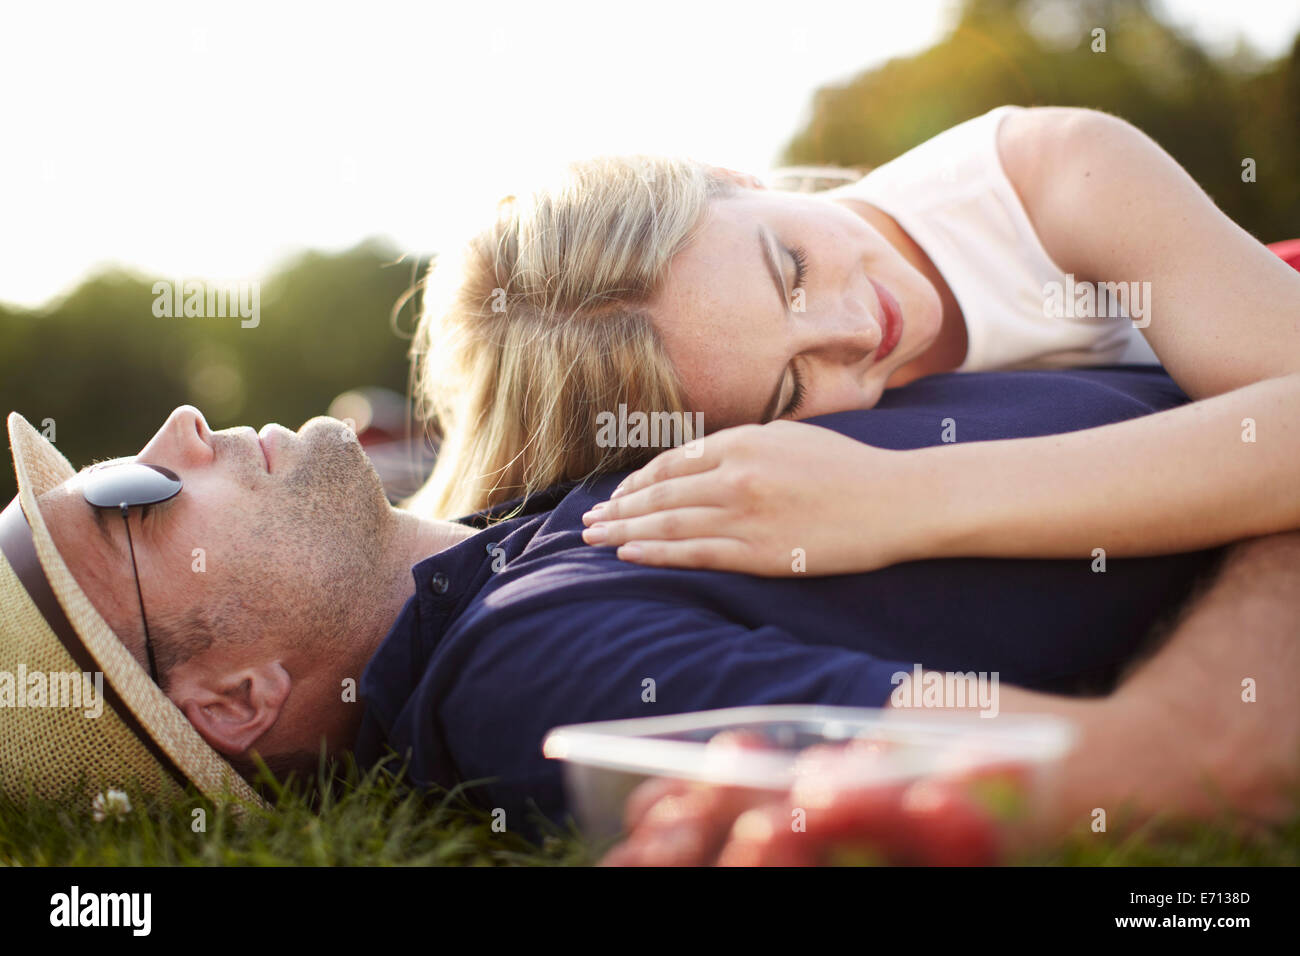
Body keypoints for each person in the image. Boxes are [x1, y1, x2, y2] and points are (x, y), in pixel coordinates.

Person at [2, 364, 1296, 855]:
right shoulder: (531, 678)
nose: (176, 430)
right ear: (231, 701)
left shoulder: (530, 520)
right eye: (132, 496)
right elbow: (1186, 769)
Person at [407, 105, 1300, 583]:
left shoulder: (1058, 172)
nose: (858, 329)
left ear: (730, 177)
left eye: (790, 269)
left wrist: (901, 498)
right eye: (790, 391)